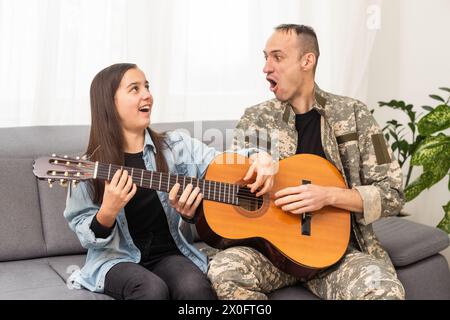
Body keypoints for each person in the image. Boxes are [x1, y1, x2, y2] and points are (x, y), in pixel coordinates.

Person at [207, 24, 406, 300]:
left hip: (339, 256)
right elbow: (233, 186)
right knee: (224, 270)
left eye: (276, 57)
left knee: (384, 290)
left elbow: (393, 194)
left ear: (307, 61)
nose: (266, 67)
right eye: (265, 57)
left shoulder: (355, 114)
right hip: (272, 257)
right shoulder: (256, 119)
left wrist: (329, 196)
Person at [63, 63, 275, 300]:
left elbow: (223, 162)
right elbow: (83, 231)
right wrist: (108, 212)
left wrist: (259, 157)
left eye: (147, 86)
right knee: (151, 290)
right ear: (109, 103)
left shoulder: (176, 146)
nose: (147, 95)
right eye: (134, 89)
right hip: (115, 260)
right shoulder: (88, 168)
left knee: (195, 289)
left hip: (169, 254)